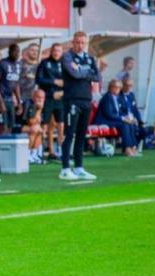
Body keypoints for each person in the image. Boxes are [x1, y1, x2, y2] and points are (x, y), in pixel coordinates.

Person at [60, 31, 99, 181]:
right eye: (78, 42)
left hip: (86, 100)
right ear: (73, 42)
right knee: (69, 134)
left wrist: (82, 70)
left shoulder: (90, 58)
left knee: (82, 135)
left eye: (83, 43)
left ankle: (79, 167)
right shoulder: (67, 56)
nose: (80, 45)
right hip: (72, 100)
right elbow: (74, 74)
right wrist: (86, 72)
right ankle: (64, 169)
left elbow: (97, 76)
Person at [36, 43, 65, 160]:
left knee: (60, 124)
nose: (56, 52)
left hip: (61, 98)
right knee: (46, 124)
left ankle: (60, 149)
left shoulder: (65, 64)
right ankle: (43, 150)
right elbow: (39, 79)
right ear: (51, 51)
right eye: (54, 50)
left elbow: (70, 80)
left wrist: (63, 91)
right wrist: (54, 82)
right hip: (48, 97)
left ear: (62, 52)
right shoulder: (44, 63)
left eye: (59, 50)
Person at [94, 79, 138, 156]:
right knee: (124, 124)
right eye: (116, 87)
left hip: (112, 120)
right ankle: (127, 148)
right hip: (104, 120)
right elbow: (109, 114)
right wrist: (123, 119)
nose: (119, 89)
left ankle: (132, 147)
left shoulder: (115, 97)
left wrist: (127, 118)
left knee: (130, 123)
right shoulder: (107, 97)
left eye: (120, 87)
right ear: (111, 87)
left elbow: (118, 112)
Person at [0, 43, 22, 135]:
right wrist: (0, 102)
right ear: (9, 52)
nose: (16, 53)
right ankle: (0, 148)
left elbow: (16, 84)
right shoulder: (2, 64)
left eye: (18, 51)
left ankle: (9, 147)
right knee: (2, 127)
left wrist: (19, 102)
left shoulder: (18, 65)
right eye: (14, 51)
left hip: (10, 100)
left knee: (11, 126)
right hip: (0, 100)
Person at [119, 77, 146, 150]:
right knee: (129, 126)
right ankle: (129, 148)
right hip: (124, 120)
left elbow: (135, 110)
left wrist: (140, 121)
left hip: (132, 120)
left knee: (143, 130)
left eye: (130, 86)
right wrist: (126, 118)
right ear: (122, 85)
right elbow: (118, 111)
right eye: (126, 85)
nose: (128, 87)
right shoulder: (118, 95)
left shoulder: (131, 95)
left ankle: (134, 147)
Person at [21, 89, 46, 164]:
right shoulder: (29, 104)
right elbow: (30, 122)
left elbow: (41, 121)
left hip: (29, 126)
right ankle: (27, 155)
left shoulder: (43, 105)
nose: (40, 99)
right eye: (38, 97)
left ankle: (34, 154)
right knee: (34, 129)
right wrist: (39, 110)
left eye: (42, 98)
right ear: (33, 97)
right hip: (18, 126)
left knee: (39, 130)